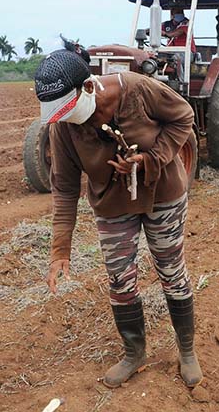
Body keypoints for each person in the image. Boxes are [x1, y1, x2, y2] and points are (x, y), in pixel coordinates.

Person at [33, 39, 203, 389]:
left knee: (171, 271)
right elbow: (65, 188)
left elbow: (183, 118)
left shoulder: (138, 90)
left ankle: (187, 351)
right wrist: (59, 249)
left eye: (67, 109)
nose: (63, 119)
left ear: (87, 87)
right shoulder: (61, 128)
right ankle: (134, 352)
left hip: (162, 195)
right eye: (57, 114)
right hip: (111, 204)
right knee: (120, 281)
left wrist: (151, 159)